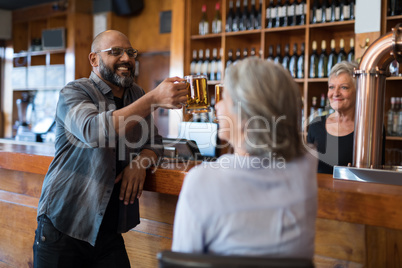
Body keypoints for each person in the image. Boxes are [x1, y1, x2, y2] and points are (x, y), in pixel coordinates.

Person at [33, 30, 188, 267]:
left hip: (107, 232)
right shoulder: (74, 92)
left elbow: (154, 142)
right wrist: (153, 100)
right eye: (115, 52)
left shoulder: (135, 94)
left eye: (130, 52)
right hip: (64, 226)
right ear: (94, 60)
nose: (126, 58)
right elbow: (92, 130)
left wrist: (140, 162)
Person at [172, 58, 318, 258]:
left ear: (246, 115)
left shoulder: (201, 181)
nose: (217, 107)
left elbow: (182, 261)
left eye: (224, 98)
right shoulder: (306, 167)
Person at [307, 61, 358, 174]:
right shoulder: (316, 125)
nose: (335, 93)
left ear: (358, 91)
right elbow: (306, 170)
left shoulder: (368, 128)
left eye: (344, 87)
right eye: (331, 87)